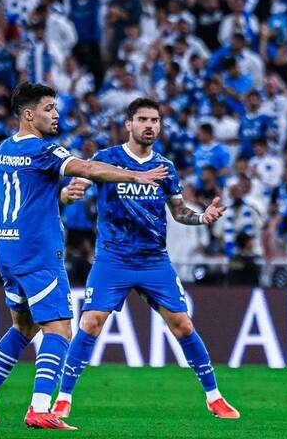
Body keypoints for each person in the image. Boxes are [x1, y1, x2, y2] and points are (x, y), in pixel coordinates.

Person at [0, 83, 168, 430]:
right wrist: (135, 174)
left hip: (7, 249)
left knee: (23, 326)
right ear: (28, 114)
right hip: (38, 253)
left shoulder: (3, 149)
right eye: (48, 109)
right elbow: (88, 169)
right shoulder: (44, 150)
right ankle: (40, 408)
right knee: (60, 330)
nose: (56, 115)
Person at [51, 98, 240, 420]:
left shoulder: (165, 167)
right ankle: (63, 398)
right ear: (129, 124)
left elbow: (179, 212)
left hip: (154, 260)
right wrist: (69, 194)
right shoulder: (106, 158)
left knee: (183, 325)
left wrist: (202, 218)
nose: (150, 125)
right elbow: (75, 187)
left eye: (155, 120)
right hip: (113, 259)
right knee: (90, 322)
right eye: (143, 119)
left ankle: (215, 397)